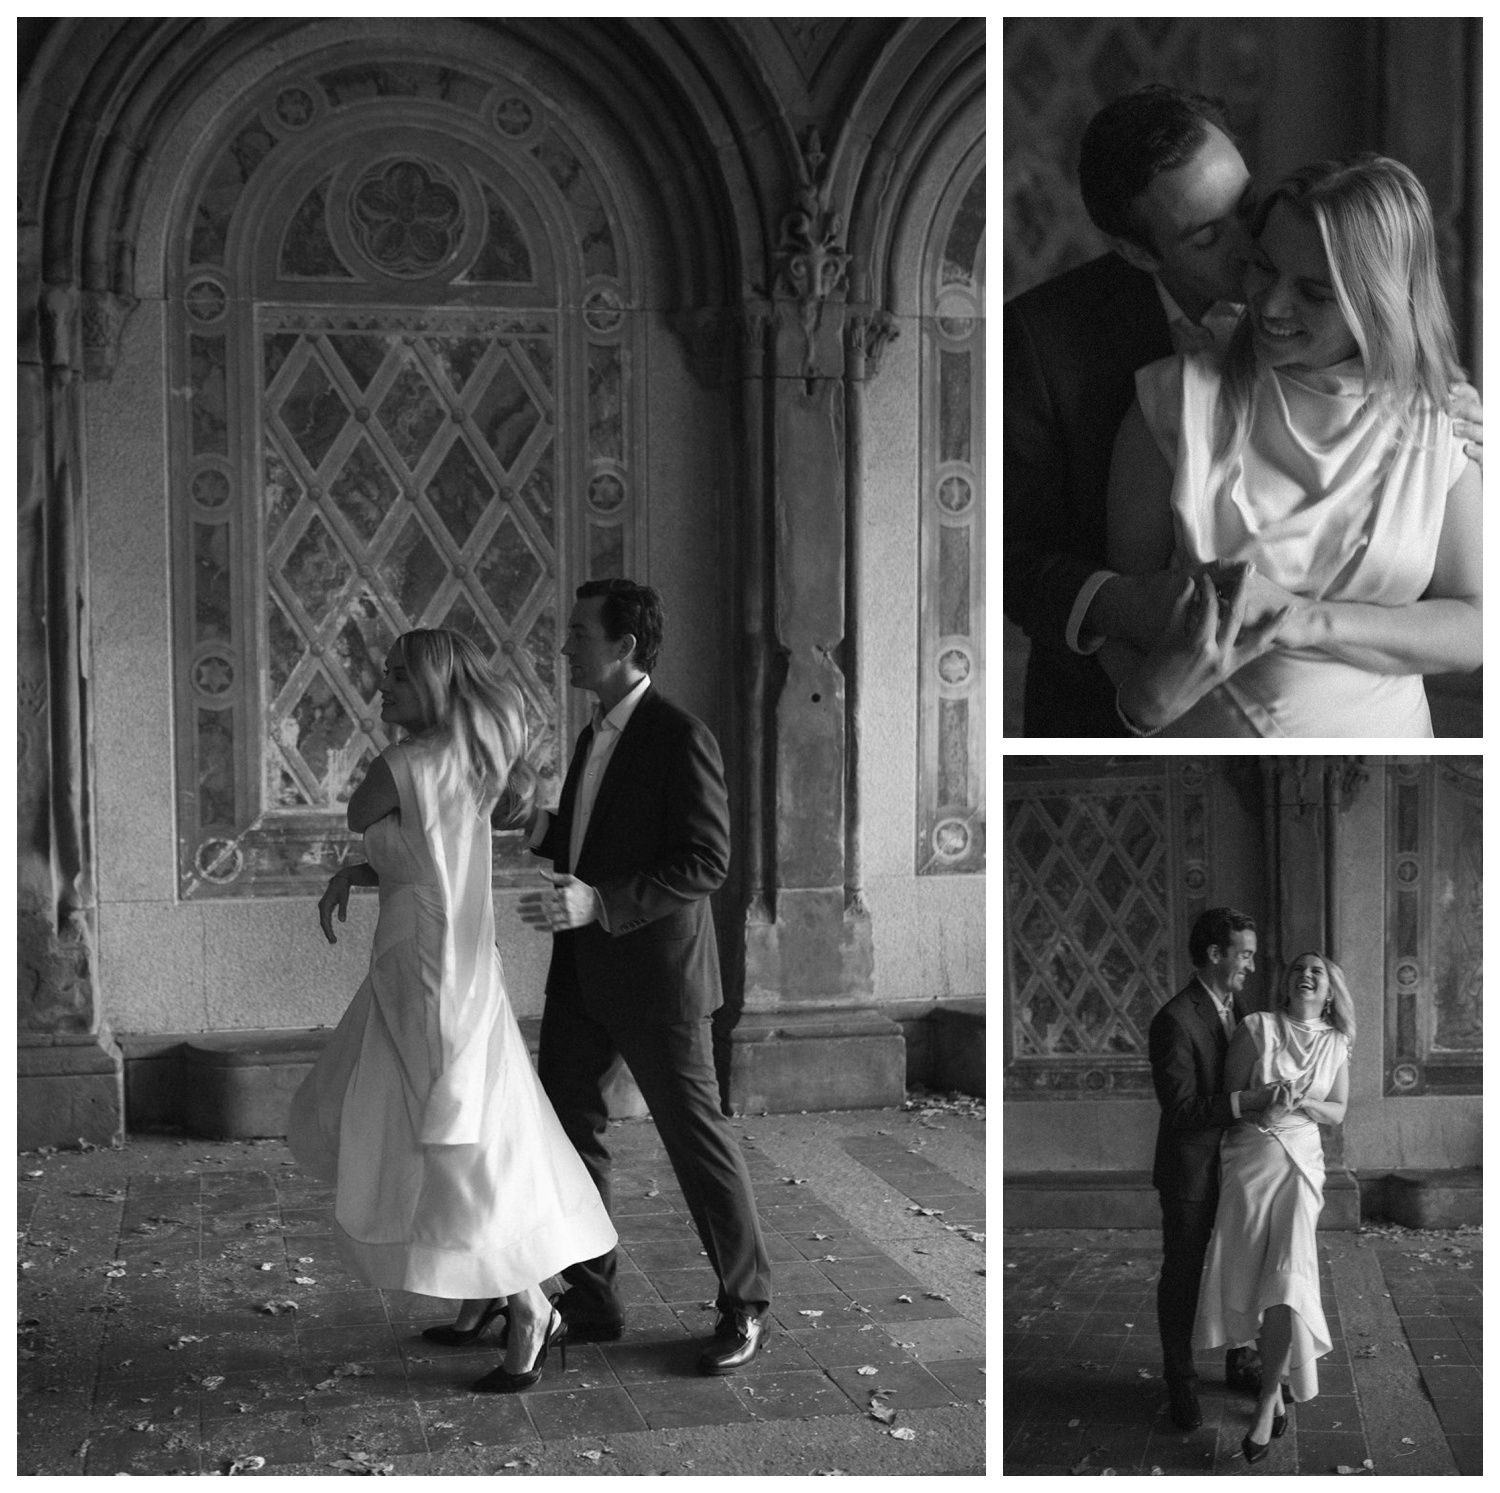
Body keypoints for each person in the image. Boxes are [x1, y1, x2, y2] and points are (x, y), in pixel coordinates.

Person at [1005, 84, 1483, 737]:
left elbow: (1474, 615)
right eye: (1208, 234)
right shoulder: (1058, 348)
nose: (1249, 246)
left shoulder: (1435, 411)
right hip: (1119, 719)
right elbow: (1016, 558)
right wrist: (1139, 663)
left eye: (1246, 206)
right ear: (1140, 253)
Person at [289, 629, 618, 1394]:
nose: (382, 687)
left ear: (433, 684)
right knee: (459, 1117)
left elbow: (361, 811)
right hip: (451, 962)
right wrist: (360, 870)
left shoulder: (401, 764)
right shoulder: (472, 761)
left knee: (452, 1129)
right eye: (384, 674)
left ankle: (529, 1303)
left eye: (398, 677)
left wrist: (356, 854)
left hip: (426, 967)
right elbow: (424, 855)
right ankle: (480, 1293)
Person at [517, 578, 772, 1375]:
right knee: (566, 1135)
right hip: (582, 975)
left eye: (579, 632)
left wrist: (599, 901)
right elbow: (597, 842)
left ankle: (745, 1302)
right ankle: (593, 1299)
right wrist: (539, 828)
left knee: (696, 1140)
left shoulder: (679, 734)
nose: (566, 644)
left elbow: (707, 859)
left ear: (625, 645)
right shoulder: (593, 735)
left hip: (659, 980)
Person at [1194, 952, 1353, 1464]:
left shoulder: (1335, 1042)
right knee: (1251, 1274)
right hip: (1250, 1158)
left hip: (1302, 1162)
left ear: (1330, 991)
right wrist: (1267, 1098)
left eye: (1317, 971)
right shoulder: (1256, 1026)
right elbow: (1229, 1095)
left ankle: (1268, 1401)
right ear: (1285, 983)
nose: (1305, 974)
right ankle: (1268, 1380)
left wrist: (1302, 1102)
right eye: (1298, 969)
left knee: (1289, 1277)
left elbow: (1337, 1110)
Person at [1148, 907, 1282, 1431]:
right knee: (1182, 1276)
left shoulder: (1241, 1008)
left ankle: (1240, 1360)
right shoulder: (1174, 1020)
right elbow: (1179, 1110)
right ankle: (1179, 1381)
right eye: (1243, 954)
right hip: (1191, 1172)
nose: (1250, 964)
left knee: (1239, 1268)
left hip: (1241, 1166)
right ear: (1214, 954)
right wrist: (1245, 1101)